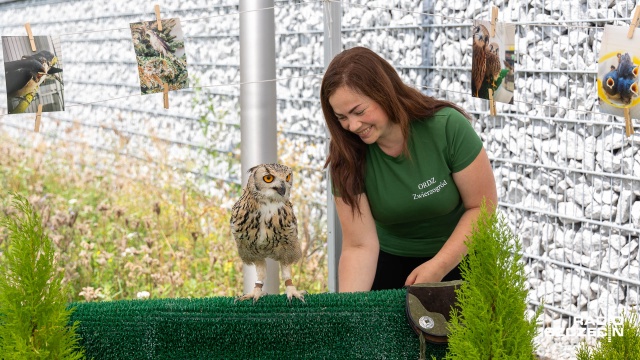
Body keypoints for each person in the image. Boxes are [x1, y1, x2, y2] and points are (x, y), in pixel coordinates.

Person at [320, 47, 498, 292]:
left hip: (462, 257)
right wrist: (349, 316)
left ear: (383, 93)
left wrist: (438, 266)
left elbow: (481, 207)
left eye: (358, 111)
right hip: (390, 264)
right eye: (341, 117)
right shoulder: (346, 154)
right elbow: (359, 246)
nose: (353, 125)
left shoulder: (447, 127)